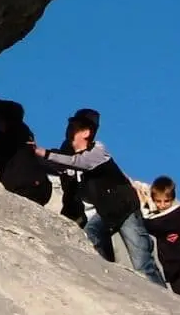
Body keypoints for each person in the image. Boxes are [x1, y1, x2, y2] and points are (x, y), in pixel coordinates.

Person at [33, 109, 165, 286]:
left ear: (86, 132)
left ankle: (162, 298)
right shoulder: (68, 156)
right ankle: (109, 277)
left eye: (74, 127)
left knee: (142, 262)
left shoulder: (98, 151)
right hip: (106, 211)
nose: (68, 129)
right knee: (93, 236)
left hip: (123, 206)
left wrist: (43, 153)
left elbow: (77, 163)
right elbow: (58, 164)